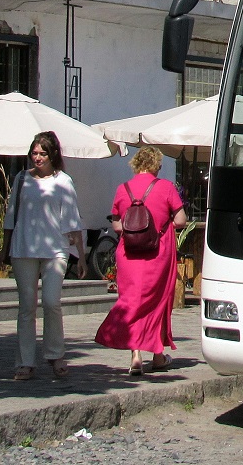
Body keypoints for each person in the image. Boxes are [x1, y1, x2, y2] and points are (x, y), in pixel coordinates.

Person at [2, 131, 86, 381]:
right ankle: (25, 361)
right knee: (26, 307)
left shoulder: (63, 181)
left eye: (42, 153)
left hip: (55, 249)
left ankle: (55, 354)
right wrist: (4, 249)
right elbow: (10, 215)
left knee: (51, 302)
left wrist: (80, 256)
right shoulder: (21, 179)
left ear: (53, 155)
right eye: (34, 153)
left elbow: (72, 220)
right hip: (24, 247)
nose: (37, 158)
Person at [95, 146, 186, 376]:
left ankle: (136, 355)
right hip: (158, 254)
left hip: (129, 254)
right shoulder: (165, 187)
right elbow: (182, 220)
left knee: (132, 299)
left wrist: (131, 231)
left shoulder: (122, 189)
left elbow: (116, 224)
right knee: (156, 302)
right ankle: (157, 355)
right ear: (157, 165)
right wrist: (162, 227)